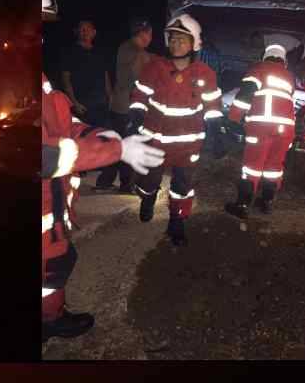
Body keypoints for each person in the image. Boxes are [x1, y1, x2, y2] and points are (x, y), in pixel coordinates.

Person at [41, 0, 164, 341]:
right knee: (55, 262)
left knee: (57, 261)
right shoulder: (126, 53)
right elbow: (50, 153)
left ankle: (51, 316)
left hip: (55, 193)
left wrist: (97, 131)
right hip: (47, 195)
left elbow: (58, 118)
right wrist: (115, 150)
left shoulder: (42, 79)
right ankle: (49, 321)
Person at [128, 13, 221, 248]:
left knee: (183, 185)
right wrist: (137, 113)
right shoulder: (154, 67)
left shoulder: (205, 74)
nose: (175, 44)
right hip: (155, 140)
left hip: (188, 144)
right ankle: (148, 199)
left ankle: (177, 221)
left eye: (182, 40)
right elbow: (139, 95)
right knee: (149, 180)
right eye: (172, 39)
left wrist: (217, 132)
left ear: (194, 43)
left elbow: (212, 106)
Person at [224, 44, 297, 217]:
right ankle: (266, 202)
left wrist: (232, 118)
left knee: (252, 166)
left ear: (265, 57)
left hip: (261, 127)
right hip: (285, 130)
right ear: (283, 61)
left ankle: (242, 205)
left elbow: (245, 94)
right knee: (273, 167)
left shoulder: (259, 69)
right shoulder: (289, 77)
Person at [94, 17, 153, 192]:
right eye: (150, 35)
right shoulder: (134, 51)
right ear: (144, 34)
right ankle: (126, 185)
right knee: (127, 144)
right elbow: (136, 78)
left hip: (122, 105)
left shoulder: (130, 49)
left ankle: (106, 181)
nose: (151, 39)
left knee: (117, 144)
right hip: (127, 107)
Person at [60, 19, 111, 129]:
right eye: (82, 29)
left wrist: (110, 97)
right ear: (77, 32)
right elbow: (65, 79)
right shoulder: (70, 52)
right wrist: (74, 102)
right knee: (85, 138)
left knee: (104, 136)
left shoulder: (99, 52)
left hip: (102, 103)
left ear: (94, 32)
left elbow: (105, 75)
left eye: (88, 29)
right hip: (83, 105)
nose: (85, 32)